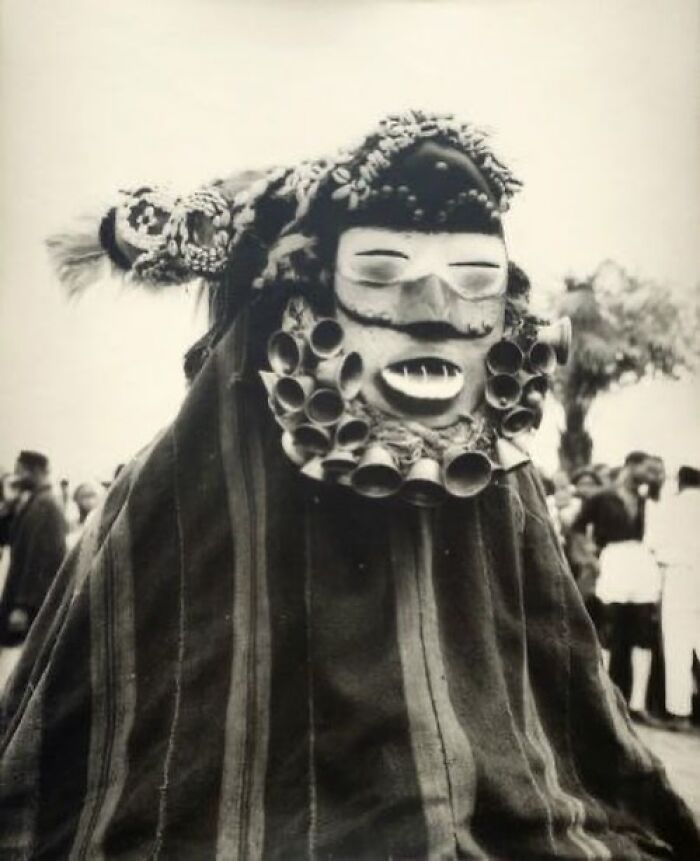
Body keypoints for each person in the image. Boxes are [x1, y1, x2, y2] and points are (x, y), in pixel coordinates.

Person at [2, 111, 698, 858]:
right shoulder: (188, 478)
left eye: (474, 280)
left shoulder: (500, 478)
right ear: (303, 301)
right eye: (378, 272)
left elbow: (557, 682)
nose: (432, 312)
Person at [571, 451, 662, 725]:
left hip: (641, 561)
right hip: (613, 560)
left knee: (643, 631)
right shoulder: (601, 497)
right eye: (647, 469)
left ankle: (637, 703)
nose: (652, 475)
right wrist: (589, 557)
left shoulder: (648, 501)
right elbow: (576, 528)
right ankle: (605, 701)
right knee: (611, 628)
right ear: (631, 466)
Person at [647, 465, 700, 732]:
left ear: (679, 481)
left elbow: (654, 543)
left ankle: (681, 713)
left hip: (680, 576)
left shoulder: (672, 507)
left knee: (678, 645)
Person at [0, 451, 67, 648]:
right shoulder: (33, 502)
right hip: (25, 603)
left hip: (31, 608)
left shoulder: (45, 505)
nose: (16, 477)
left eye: (19, 471)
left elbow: (42, 562)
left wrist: (23, 606)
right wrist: (8, 505)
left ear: (35, 471)